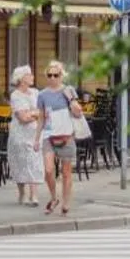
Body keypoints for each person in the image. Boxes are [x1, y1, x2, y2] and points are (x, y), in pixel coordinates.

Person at [39, 61, 84, 216]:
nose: (52, 78)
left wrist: (72, 101)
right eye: (49, 75)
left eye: (56, 75)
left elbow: (78, 111)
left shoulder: (68, 90)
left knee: (66, 173)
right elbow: (40, 118)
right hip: (49, 135)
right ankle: (53, 197)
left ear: (61, 75)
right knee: (49, 170)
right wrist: (36, 138)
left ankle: (66, 202)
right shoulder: (42, 94)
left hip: (66, 135)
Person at [7, 65, 46, 206]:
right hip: (20, 135)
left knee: (34, 162)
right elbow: (22, 118)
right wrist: (35, 113)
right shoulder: (15, 95)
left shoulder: (36, 93)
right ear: (22, 78)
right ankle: (22, 193)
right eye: (29, 75)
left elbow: (44, 111)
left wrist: (34, 113)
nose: (32, 77)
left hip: (35, 134)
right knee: (21, 163)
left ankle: (34, 195)